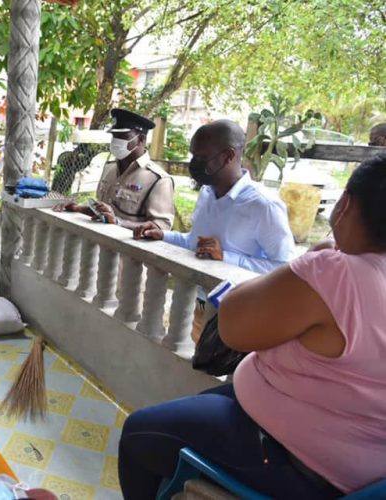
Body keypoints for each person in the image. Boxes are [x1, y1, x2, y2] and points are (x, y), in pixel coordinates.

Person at [118, 154, 386, 499]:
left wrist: (313, 259)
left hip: (298, 456)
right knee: (196, 406)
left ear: (345, 205)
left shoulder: (337, 272)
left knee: (138, 434)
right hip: (358, 461)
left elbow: (233, 327)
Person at [134, 120, 295, 341]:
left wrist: (226, 257)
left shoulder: (263, 206)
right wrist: (162, 235)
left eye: (201, 158)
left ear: (228, 156)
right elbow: (196, 243)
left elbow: (285, 271)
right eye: (192, 156)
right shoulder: (207, 193)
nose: (193, 164)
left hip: (239, 313)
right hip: (199, 304)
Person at [55, 108, 175, 232]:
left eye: (123, 136)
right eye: (114, 136)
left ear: (141, 140)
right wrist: (77, 208)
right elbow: (102, 212)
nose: (116, 141)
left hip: (127, 249)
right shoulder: (109, 168)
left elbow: (161, 227)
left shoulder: (158, 180)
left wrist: (119, 222)